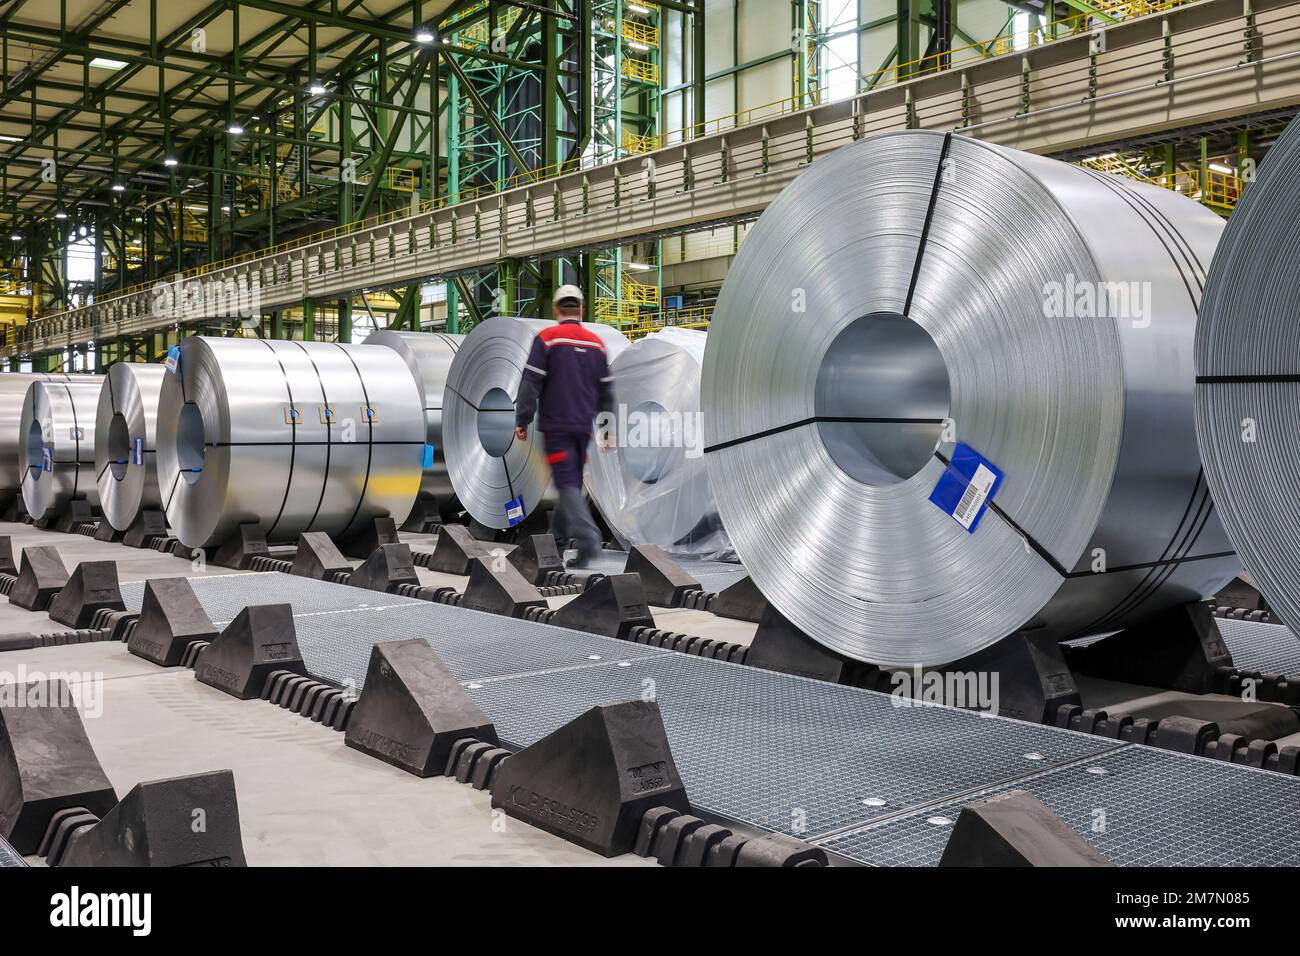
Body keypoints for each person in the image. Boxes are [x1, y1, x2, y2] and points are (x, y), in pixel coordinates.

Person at [514, 284, 614, 567]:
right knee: (571, 481)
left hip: (557, 426)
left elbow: (530, 384)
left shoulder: (547, 339)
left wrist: (522, 419)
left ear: (556, 310)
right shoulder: (597, 344)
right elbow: (607, 391)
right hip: (584, 428)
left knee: (567, 482)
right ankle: (556, 542)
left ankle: (588, 539)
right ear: (581, 310)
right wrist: (606, 428)